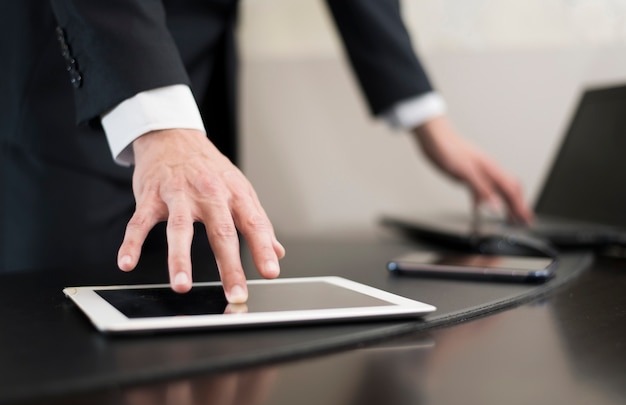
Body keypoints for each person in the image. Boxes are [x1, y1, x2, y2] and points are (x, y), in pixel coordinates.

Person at [0, 0, 532, 303]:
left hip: (200, 69)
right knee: (71, 329)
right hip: (71, 68)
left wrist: (423, 116)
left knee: (201, 322)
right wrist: (156, 117)